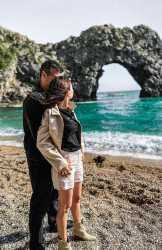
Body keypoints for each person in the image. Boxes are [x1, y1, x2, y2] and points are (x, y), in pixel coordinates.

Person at [36, 77, 96, 250]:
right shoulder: (50, 113)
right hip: (64, 162)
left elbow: (76, 135)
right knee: (65, 205)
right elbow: (42, 142)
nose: (73, 90)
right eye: (71, 87)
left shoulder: (71, 109)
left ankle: (78, 229)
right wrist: (60, 163)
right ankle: (63, 243)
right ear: (65, 92)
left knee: (77, 199)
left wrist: (82, 152)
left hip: (77, 158)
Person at [23, 60, 65, 250]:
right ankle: (36, 242)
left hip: (53, 154)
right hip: (37, 155)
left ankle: (54, 221)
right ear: (43, 74)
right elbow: (36, 134)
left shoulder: (51, 96)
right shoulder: (33, 99)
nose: (57, 83)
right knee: (41, 196)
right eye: (54, 79)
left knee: (55, 192)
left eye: (59, 79)